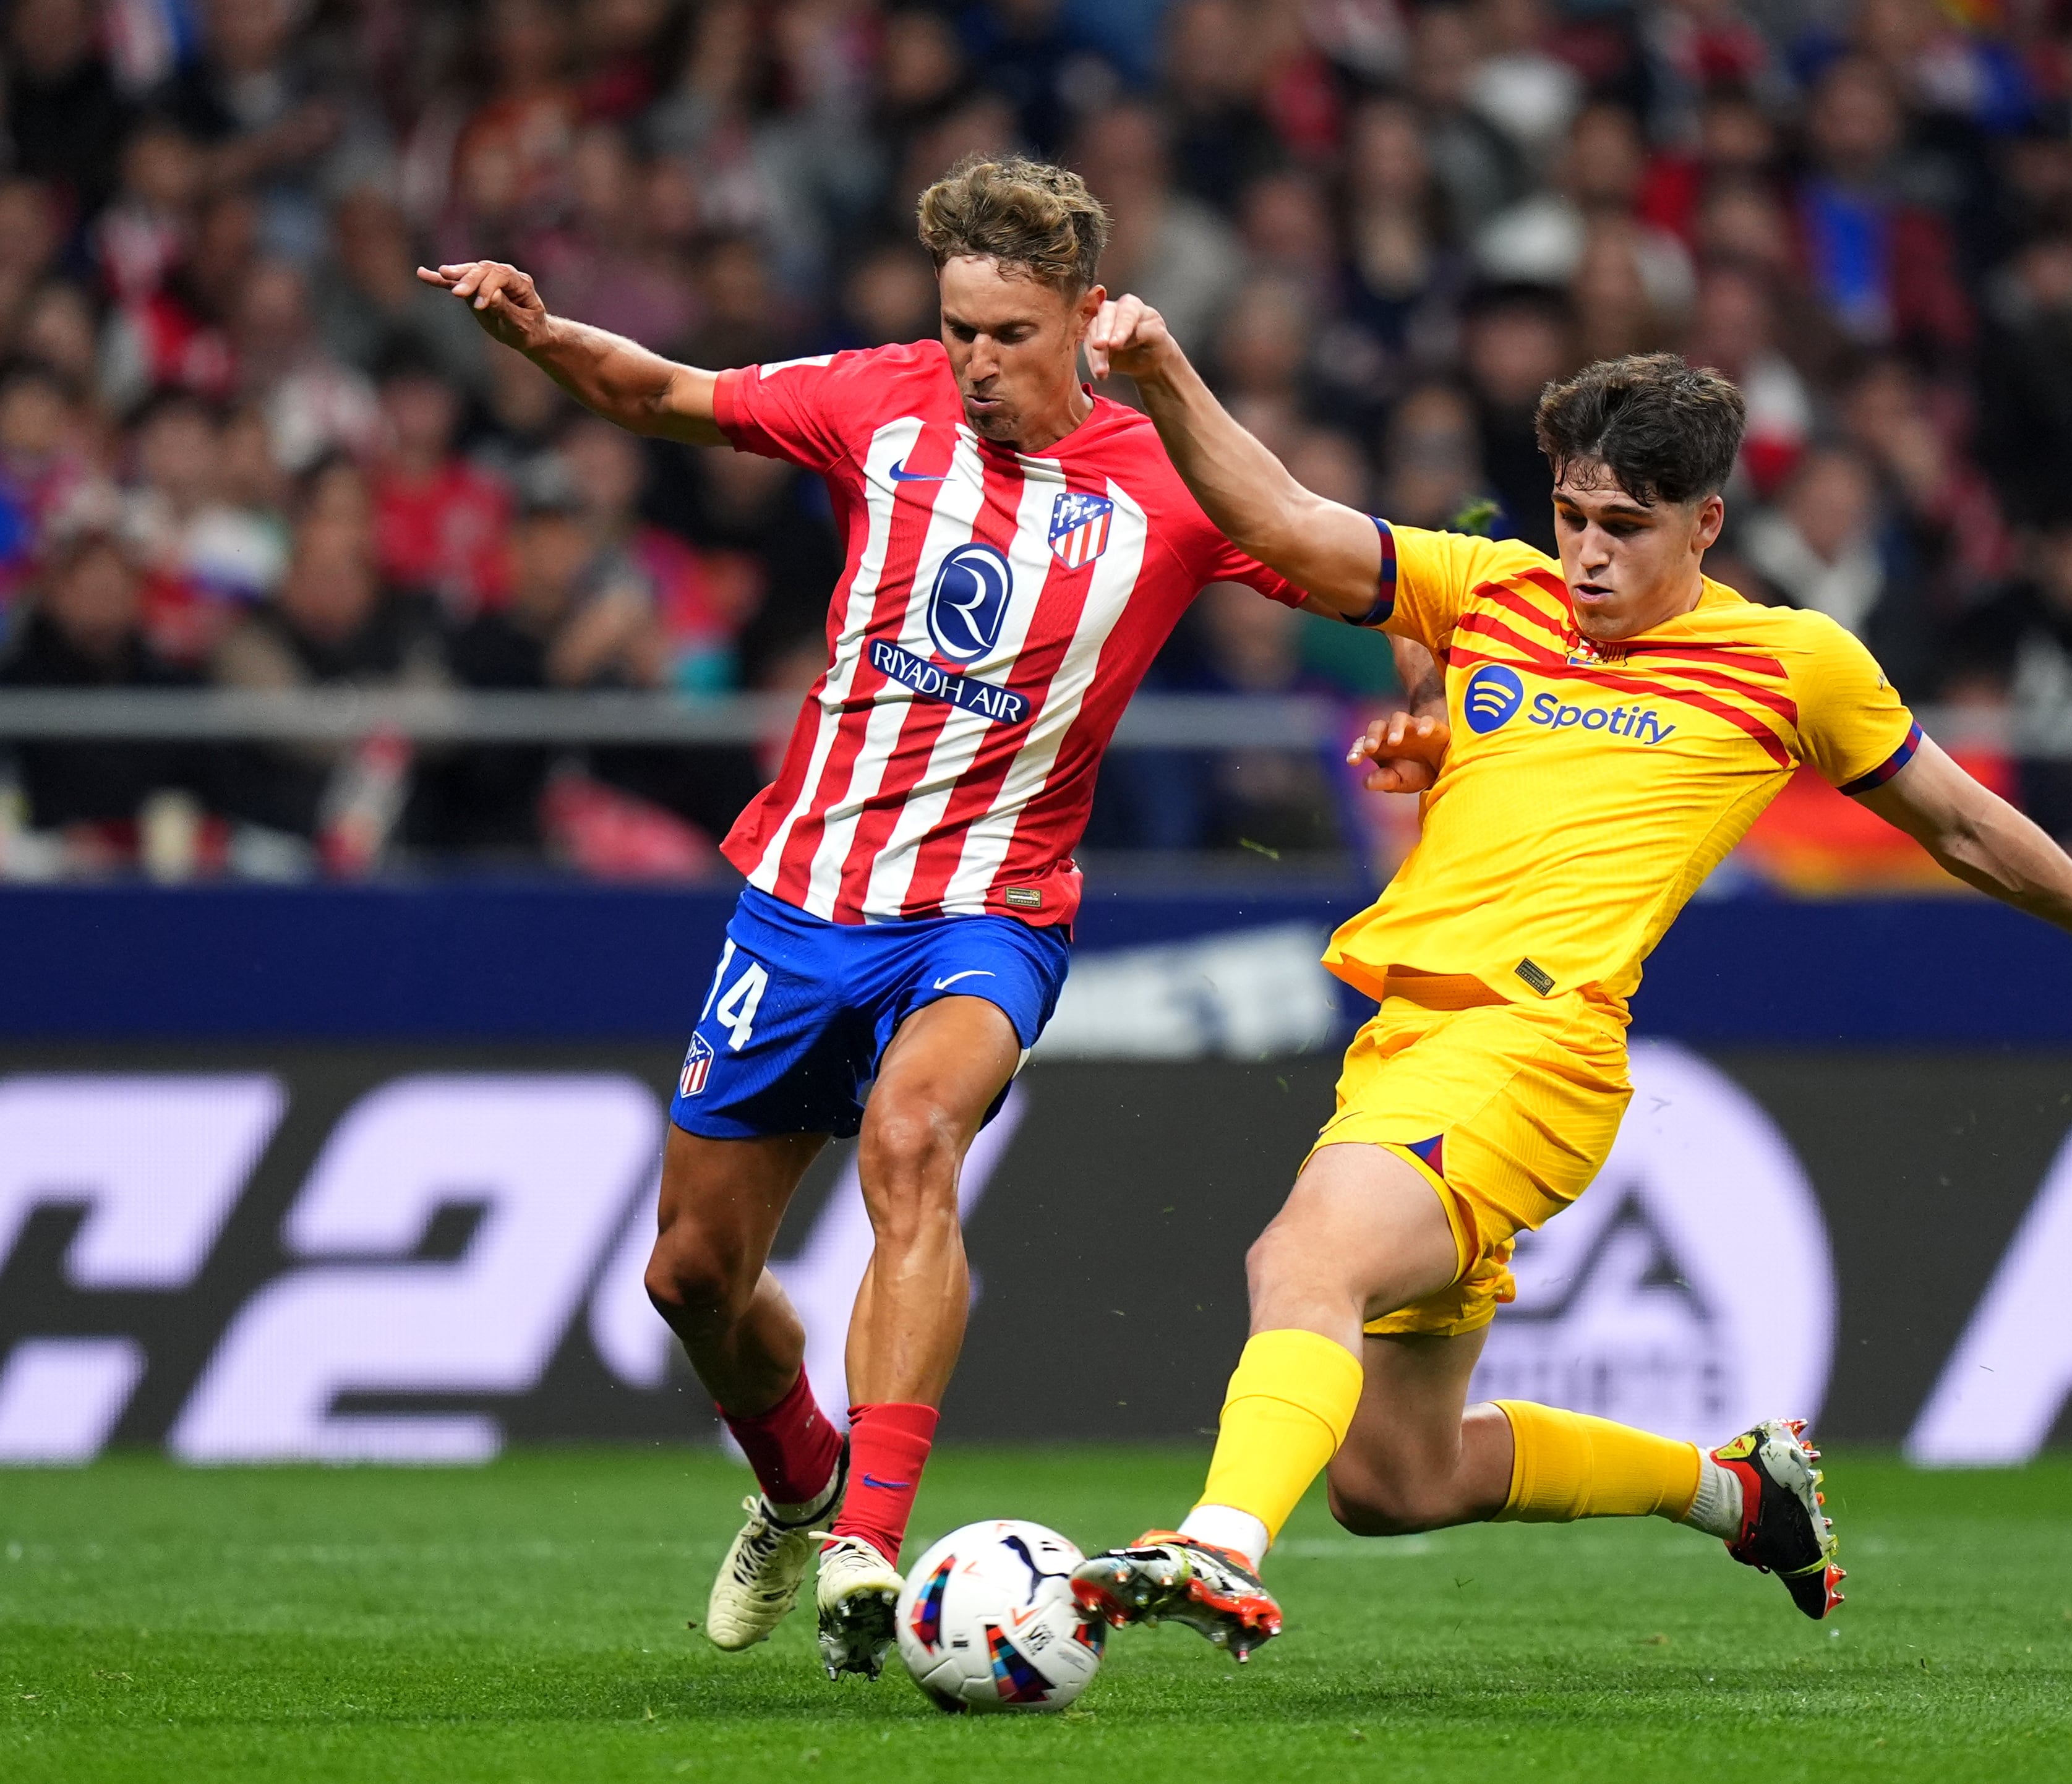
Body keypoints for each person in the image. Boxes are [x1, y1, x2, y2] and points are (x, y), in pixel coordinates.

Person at [1060, 304, 2072, 1660]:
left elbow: (1964, 825)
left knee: (1301, 1257)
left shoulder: (1793, 663)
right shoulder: (1491, 586)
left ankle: (1215, 1545)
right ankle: (1735, 1490)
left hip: (1533, 1046)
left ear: (1705, 526)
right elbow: (1280, 517)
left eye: (1623, 524)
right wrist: (1162, 375)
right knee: (1396, 1483)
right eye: (1571, 515)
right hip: (1406, 1043)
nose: (1587, 552)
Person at [419, 154, 1416, 1683]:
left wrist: (1428, 697)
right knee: (690, 1277)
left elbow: (1351, 563)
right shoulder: (876, 399)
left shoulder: (1163, 482)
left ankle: (866, 1546)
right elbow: (664, 394)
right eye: (957, 327)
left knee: (913, 1144)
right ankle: (800, 1479)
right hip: (800, 899)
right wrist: (540, 334)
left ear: (1085, 319)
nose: (975, 362)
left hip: (990, 908)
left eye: (1008, 334)